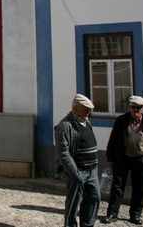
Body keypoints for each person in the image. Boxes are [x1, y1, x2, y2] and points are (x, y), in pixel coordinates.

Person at [102, 96, 143, 225]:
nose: (135, 110)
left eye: (138, 108)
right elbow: (113, 140)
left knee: (139, 189)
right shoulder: (122, 121)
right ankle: (112, 213)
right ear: (129, 108)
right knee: (117, 187)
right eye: (132, 107)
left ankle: (136, 214)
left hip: (140, 160)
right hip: (122, 158)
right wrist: (110, 157)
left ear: (142, 109)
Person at [55, 94, 100, 227]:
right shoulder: (64, 126)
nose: (89, 112)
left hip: (92, 170)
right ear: (76, 109)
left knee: (94, 197)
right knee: (74, 203)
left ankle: (87, 224)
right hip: (78, 171)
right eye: (86, 109)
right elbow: (63, 154)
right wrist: (75, 174)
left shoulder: (86, 122)